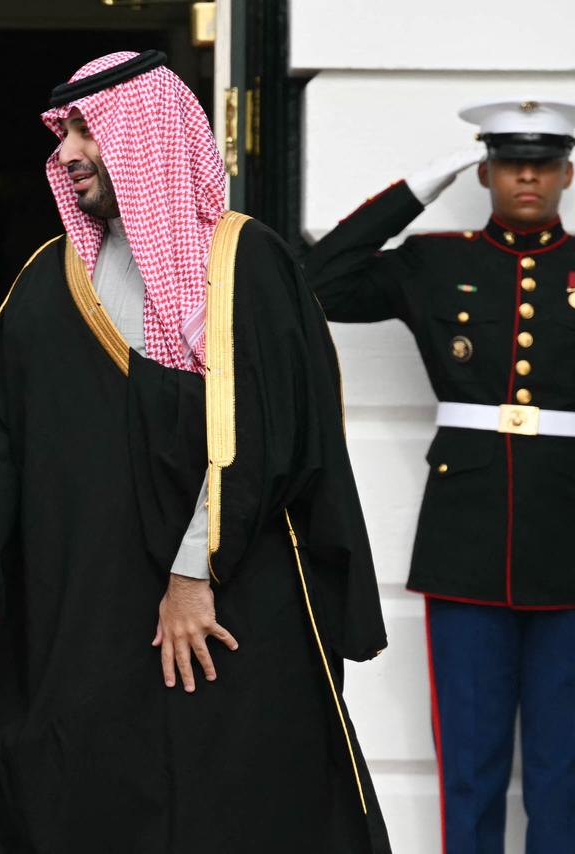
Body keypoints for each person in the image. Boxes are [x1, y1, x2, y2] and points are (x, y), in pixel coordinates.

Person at [0, 50, 391, 853]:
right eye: (63, 133)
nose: (66, 154)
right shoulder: (51, 275)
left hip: (228, 603)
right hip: (91, 608)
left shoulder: (245, 264)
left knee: (233, 804)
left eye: (83, 130)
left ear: (144, 135)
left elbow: (266, 436)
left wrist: (191, 575)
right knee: (91, 797)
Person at [304, 99, 575, 854]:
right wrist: (415, 188)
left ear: (567, 174)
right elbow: (314, 283)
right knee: (471, 763)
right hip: (468, 539)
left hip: (570, 538)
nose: (529, 175)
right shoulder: (437, 261)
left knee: (566, 770)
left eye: (546, 163)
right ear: (485, 171)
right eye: (513, 161)